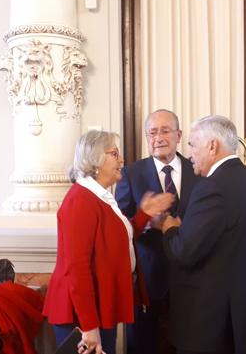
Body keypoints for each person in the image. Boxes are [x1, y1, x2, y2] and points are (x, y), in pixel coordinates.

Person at [43, 130, 175, 354]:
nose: (121, 159)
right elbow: (77, 268)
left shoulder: (99, 196)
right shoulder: (80, 200)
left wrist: (143, 214)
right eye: (114, 154)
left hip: (99, 308)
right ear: (94, 160)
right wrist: (89, 326)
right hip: (81, 315)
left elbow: (115, 239)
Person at [159, 115, 246, 354]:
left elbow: (185, 251)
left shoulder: (212, 187)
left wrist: (170, 228)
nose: (189, 154)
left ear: (212, 146)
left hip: (212, 322)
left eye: (192, 145)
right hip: (245, 314)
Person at [115, 109, 200, 354]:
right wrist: (143, 218)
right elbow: (120, 227)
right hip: (146, 277)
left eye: (165, 131)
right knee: (143, 344)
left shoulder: (197, 168)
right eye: (152, 133)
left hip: (189, 274)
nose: (158, 138)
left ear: (179, 135)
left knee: (188, 342)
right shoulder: (131, 174)